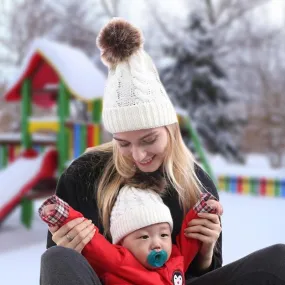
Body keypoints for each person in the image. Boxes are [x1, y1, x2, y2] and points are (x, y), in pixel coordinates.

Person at [40, 17, 285, 285]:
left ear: (171, 128)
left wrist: (205, 252)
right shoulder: (83, 175)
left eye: (148, 140)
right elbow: (62, 270)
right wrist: (65, 248)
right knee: (57, 259)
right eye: (123, 143)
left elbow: (204, 273)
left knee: (278, 261)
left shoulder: (196, 184)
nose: (138, 155)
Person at [39, 183, 222, 285]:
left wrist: (204, 209)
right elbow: (93, 242)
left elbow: (189, 236)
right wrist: (62, 215)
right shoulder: (121, 261)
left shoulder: (176, 256)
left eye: (163, 235)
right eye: (144, 237)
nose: (157, 243)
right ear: (123, 243)